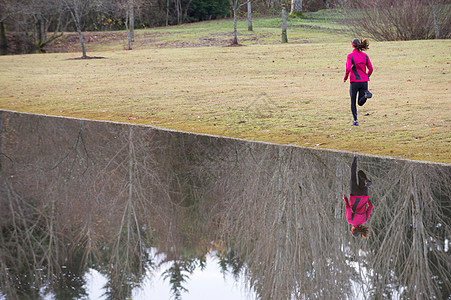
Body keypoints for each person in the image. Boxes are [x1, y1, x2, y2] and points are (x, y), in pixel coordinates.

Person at [343, 38, 373, 126]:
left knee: (353, 101)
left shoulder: (350, 56)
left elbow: (348, 68)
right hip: (364, 81)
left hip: (354, 81)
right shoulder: (365, 56)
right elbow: (371, 69)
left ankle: (355, 121)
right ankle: (366, 95)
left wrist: (345, 77)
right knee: (360, 102)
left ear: (352, 45)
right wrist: (367, 76)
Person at [343, 156, 373, 238]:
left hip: (364, 195)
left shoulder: (365, 220)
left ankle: (366, 181)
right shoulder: (350, 220)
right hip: (354, 195)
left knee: (360, 173)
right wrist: (345, 199)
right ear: (353, 229)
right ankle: (355, 158)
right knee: (353, 175)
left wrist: (367, 200)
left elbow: (371, 207)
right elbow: (348, 208)